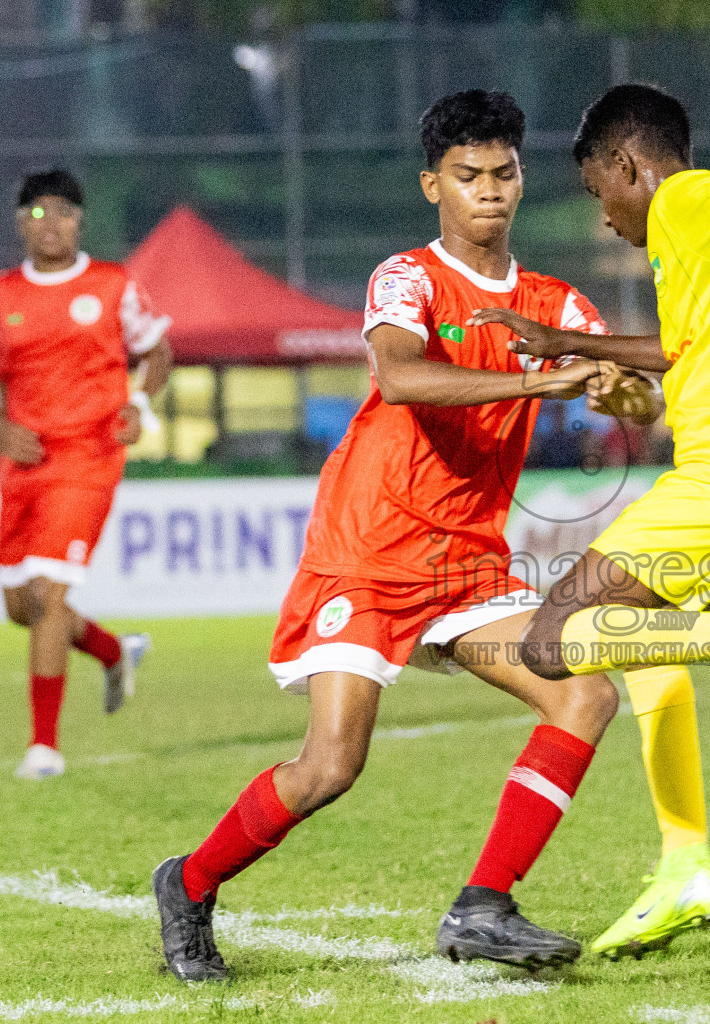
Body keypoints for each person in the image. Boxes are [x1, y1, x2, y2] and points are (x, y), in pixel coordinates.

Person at [150, 90, 649, 984]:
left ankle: (485, 905)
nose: (488, 192)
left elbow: (619, 382)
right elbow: (402, 376)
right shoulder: (407, 280)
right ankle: (187, 884)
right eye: (468, 177)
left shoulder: (553, 301)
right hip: (370, 553)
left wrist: (622, 394)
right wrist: (541, 386)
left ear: (522, 179)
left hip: (468, 567)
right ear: (434, 186)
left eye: (503, 174)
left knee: (586, 697)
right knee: (331, 765)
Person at [471, 83, 710, 960]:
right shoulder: (695, 259)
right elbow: (679, 356)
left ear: (628, 166)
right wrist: (572, 344)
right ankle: (685, 862)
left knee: (550, 638)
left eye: (595, 191)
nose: (603, 216)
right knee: (641, 644)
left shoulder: (684, 200)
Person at [0, 168, 170, 781]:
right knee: (20, 606)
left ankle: (43, 749)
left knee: (51, 596)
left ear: (81, 220)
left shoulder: (112, 284)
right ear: (22, 222)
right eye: (40, 212)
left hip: (88, 456)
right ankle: (114, 650)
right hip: (22, 462)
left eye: (66, 211)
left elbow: (157, 348)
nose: (54, 223)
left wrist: (138, 404)